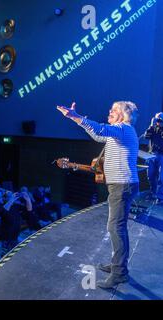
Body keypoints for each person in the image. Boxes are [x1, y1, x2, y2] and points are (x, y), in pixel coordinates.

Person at [57, 101, 139, 288]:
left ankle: (119, 273)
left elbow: (100, 129)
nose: (109, 111)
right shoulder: (117, 133)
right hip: (121, 186)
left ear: (123, 115)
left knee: (115, 229)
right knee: (117, 228)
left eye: (114, 110)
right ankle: (118, 265)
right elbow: (96, 134)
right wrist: (77, 120)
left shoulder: (123, 129)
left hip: (122, 186)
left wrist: (75, 116)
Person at [143, 112, 163, 201]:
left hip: (161, 155)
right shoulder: (152, 128)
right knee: (150, 175)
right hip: (151, 155)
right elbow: (145, 136)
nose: (159, 122)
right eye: (157, 120)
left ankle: (159, 196)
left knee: (160, 177)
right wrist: (151, 125)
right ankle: (153, 193)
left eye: (160, 120)